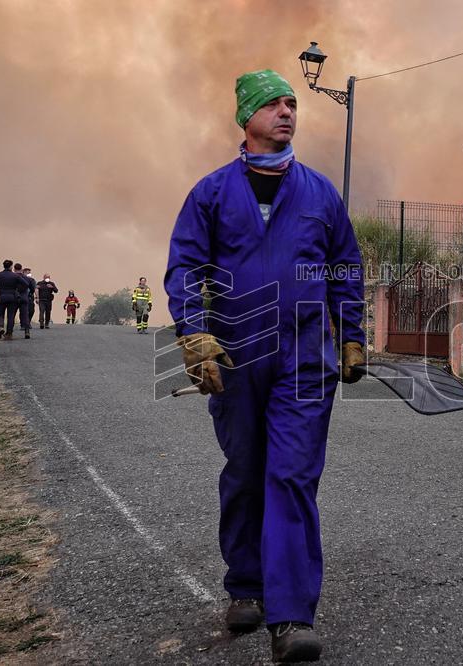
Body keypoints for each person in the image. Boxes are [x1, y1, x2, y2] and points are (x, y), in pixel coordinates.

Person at [164, 69, 365, 663]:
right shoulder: (210, 193)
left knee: (292, 476)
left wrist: (352, 336)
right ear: (245, 117)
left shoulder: (321, 193)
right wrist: (194, 332)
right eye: (273, 104)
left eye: (292, 103)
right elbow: (185, 268)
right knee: (247, 471)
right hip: (237, 353)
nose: (287, 112)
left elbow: (344, 268)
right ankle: (245, 585)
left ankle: (291, 615)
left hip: (304, 358)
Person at [0, 260, 27, 341]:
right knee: (10, 315)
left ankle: (1, 327)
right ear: (11, 266)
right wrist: (17, 290)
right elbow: (25, 284)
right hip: (12, 297)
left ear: (3, 266)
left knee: (0, 313)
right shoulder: (15, 276)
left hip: (1, 296)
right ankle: (9, 334)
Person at [21, 268, 37, 333]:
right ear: (23, 273)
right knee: (23, 311)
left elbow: (35, 288)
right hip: (22, 296)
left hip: (30, 296)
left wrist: (37, 297)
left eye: (29, 272)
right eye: (27, 272)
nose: (29, 274)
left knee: (31, 310)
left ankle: (28, 322)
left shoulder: (32, 280)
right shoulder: (21, 279)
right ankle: (23, 324)